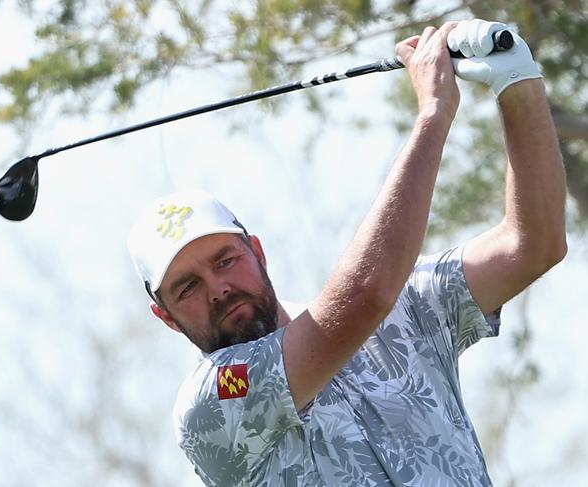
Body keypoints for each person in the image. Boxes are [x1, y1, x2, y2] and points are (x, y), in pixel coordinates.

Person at [127, 19, 567, 487]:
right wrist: (432, 116)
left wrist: (516, 79)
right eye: (188, 286)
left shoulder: (407, 302)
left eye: (224, 260)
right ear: (167, 316)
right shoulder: (211, 402)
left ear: (257, 252)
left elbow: (533, 244)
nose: (219, 288)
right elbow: (364, 295)